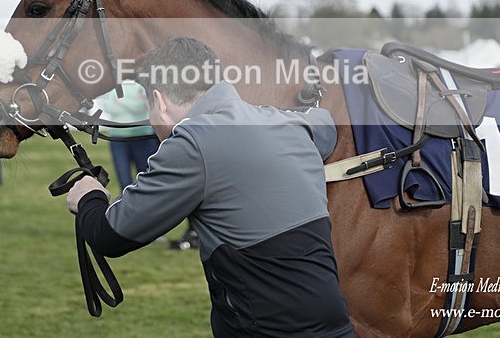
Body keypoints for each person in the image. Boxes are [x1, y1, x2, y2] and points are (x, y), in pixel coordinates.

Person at [66, 38, 354, 337]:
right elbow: (326, 127)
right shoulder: (289, 123)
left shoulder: (191, 142)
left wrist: (89, 198)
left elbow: (110, 235)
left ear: (160, 100)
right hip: (336, 328)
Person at [98, 81, 159, 192]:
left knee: (145, 180)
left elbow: (140, 107)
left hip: (142, 137)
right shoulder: (113, 85)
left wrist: (120, 102)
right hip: (118, 139)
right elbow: (108, 107)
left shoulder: (143, 84)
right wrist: (131, 102)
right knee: (124, 182)